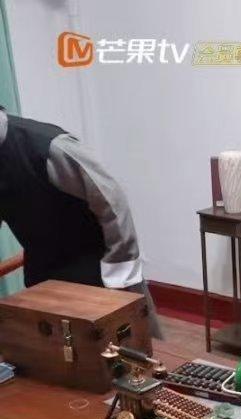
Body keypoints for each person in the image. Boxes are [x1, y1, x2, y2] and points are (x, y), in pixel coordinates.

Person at [0, 107, 161, 337]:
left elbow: (113, 203)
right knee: (54, 349)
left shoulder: (50, 147)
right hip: (43, 273)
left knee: (123, 346)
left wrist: (119, 280)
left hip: (96, 267)